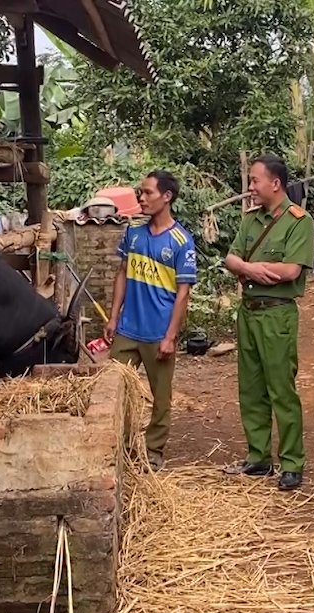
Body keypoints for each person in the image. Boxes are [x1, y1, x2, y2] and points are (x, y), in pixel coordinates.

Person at [223, 154, 314, 491]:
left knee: (281, 388)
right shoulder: (250, 220)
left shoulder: (298, 221)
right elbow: (232, 257)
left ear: (275, 183)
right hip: (248, 312)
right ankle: (259, 457)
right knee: (250, 389)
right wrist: (251, 269)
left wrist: (253, 268)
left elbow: (292, 270)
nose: (250, 187)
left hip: (278, 314)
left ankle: (292, 462)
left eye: (254, 180)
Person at [104, 170, 197, 471]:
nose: (141, 198)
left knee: (161, 398)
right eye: (140, 192)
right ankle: (122, 446)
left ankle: (154, 451)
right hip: (127, 330)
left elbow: (183, 293)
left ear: (166, 197)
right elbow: (122, 274)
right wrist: (113, 317)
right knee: (116, 390)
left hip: (159, 333)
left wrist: (170, 336)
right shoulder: (133, 234)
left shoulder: (182, 241)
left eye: (147, 193)